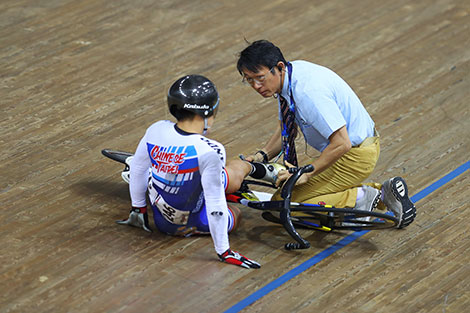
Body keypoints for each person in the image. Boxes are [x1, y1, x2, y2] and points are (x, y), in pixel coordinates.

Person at [235, 39, 416, 228]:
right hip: (354, 148)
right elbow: (286, 129)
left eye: (260, 78)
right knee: (286, 191)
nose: (256, 86)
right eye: (249, 80)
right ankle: (370, 195)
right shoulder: (291, 74)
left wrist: (307, 174)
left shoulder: (307, 93)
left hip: (353, 155)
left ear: (278, 67)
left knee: (281, 205)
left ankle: (369, 196)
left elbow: (342, 143)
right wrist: (261, 155)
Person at [117, 75, 260, 269]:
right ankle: (253, 166)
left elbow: (138, 167)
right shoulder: (211, 149)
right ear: (210, 111)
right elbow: (215, 202)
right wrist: (224, 251)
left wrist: (138, 209)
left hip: (163, 224)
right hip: (199, 221)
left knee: (197, 178)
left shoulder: (155, 129)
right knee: (234, 195)